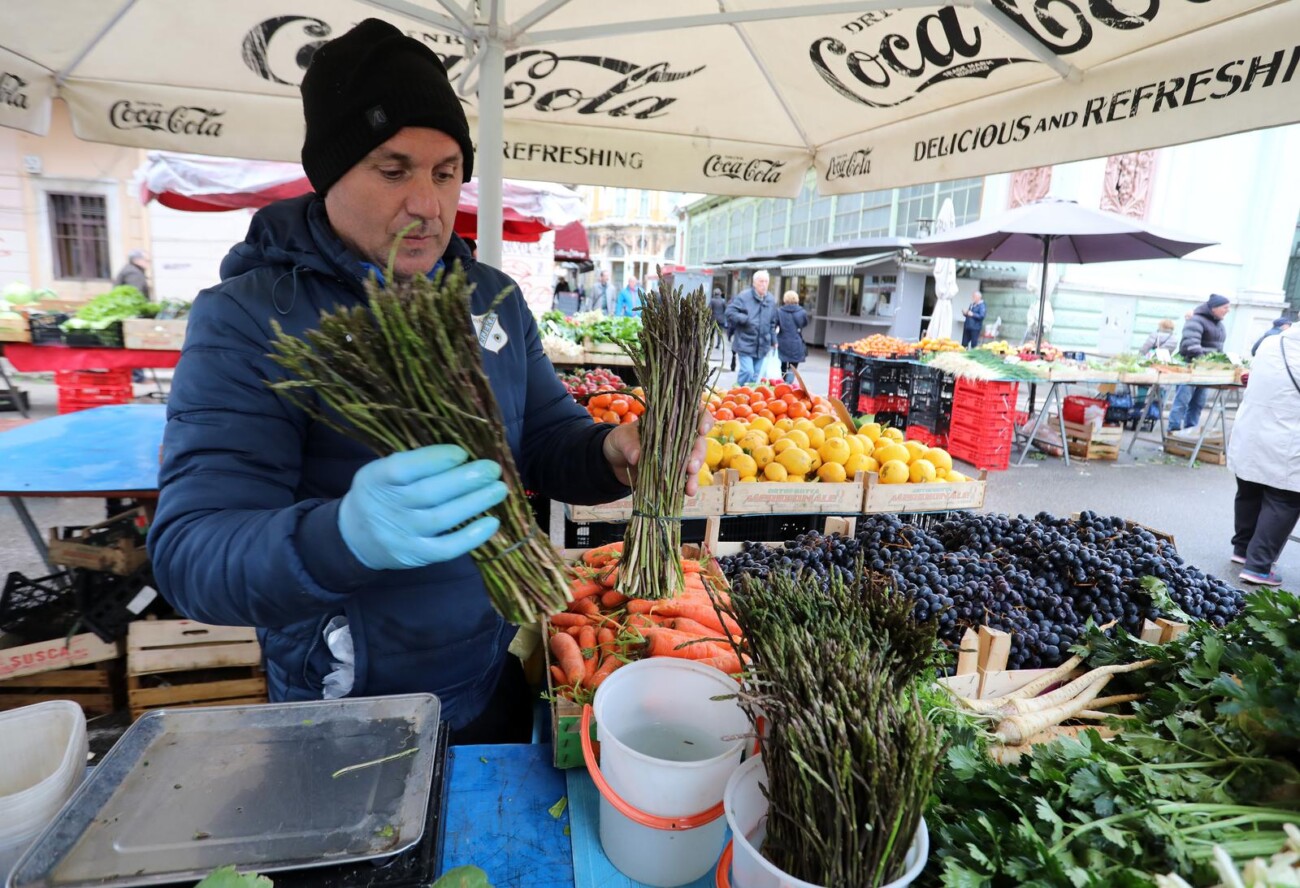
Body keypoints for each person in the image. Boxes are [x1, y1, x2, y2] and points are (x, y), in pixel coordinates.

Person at [145, 19, 707, 746]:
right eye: (394, 169)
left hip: (487, 669)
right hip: (347, 708)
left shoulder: (492, 297)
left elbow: (541, 438)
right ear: (330, 173)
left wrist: (610, 453)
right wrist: (341, 535)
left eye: (446, 173)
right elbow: (192, 552)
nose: (427, 203)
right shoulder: (251, 318)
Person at [1226, 324, 1300, 586]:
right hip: (1287, 435)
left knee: (1250, 489)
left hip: (1251, 431)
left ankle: (1242, 550)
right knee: (1284, 499)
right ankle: (1258, 566)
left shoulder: (1272, 343)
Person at [1168, 294, 1230, 433]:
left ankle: (1190, 431)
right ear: (1215, 308)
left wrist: (1220, 362)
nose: (1228, 310)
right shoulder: (1196, 320)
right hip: (1191, 368)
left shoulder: (1219, 325)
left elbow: (1218, 348)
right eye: (1225, 307)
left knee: (1198, 403)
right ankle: (1173, 431)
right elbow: (1191, 344)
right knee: (1182, 402)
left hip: (1206, 371)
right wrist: (1204, 361)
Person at [726, 270, 778, 386]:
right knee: (747, 371)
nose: (764, 284)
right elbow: (729, 312)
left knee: (757, 376)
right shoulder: (744, 297)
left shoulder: (771, 300)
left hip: (763, 344)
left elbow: (772, 322)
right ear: (754, 283)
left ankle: (750, 400)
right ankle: (736, 395)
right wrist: (744, 319)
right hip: (745, 342)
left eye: (766, 281)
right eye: (761, 281)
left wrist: (774, 341)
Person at [776, 291, 808, 383]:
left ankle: (782, 384)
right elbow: (804, 323)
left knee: (782, 366)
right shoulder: (802, 312)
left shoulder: (779, 311)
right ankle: (788, 385)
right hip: (796, 342)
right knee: (793, 367)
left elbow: (775, 324)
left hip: (782, 341)